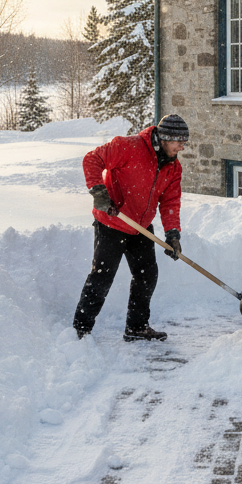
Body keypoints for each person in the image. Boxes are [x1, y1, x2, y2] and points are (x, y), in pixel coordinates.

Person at [72, 113, 189, 341]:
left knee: (147, 276)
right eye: (179, 142)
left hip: (140, 227)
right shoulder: (128, 146)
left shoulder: (173, 168)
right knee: (102, 277)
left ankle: (136, 328)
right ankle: (80, 330)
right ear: (164, 138)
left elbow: (170, 202)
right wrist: (98, 191)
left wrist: (172, 234)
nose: (182, 148)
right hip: (112, 223)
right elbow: (92, 159)